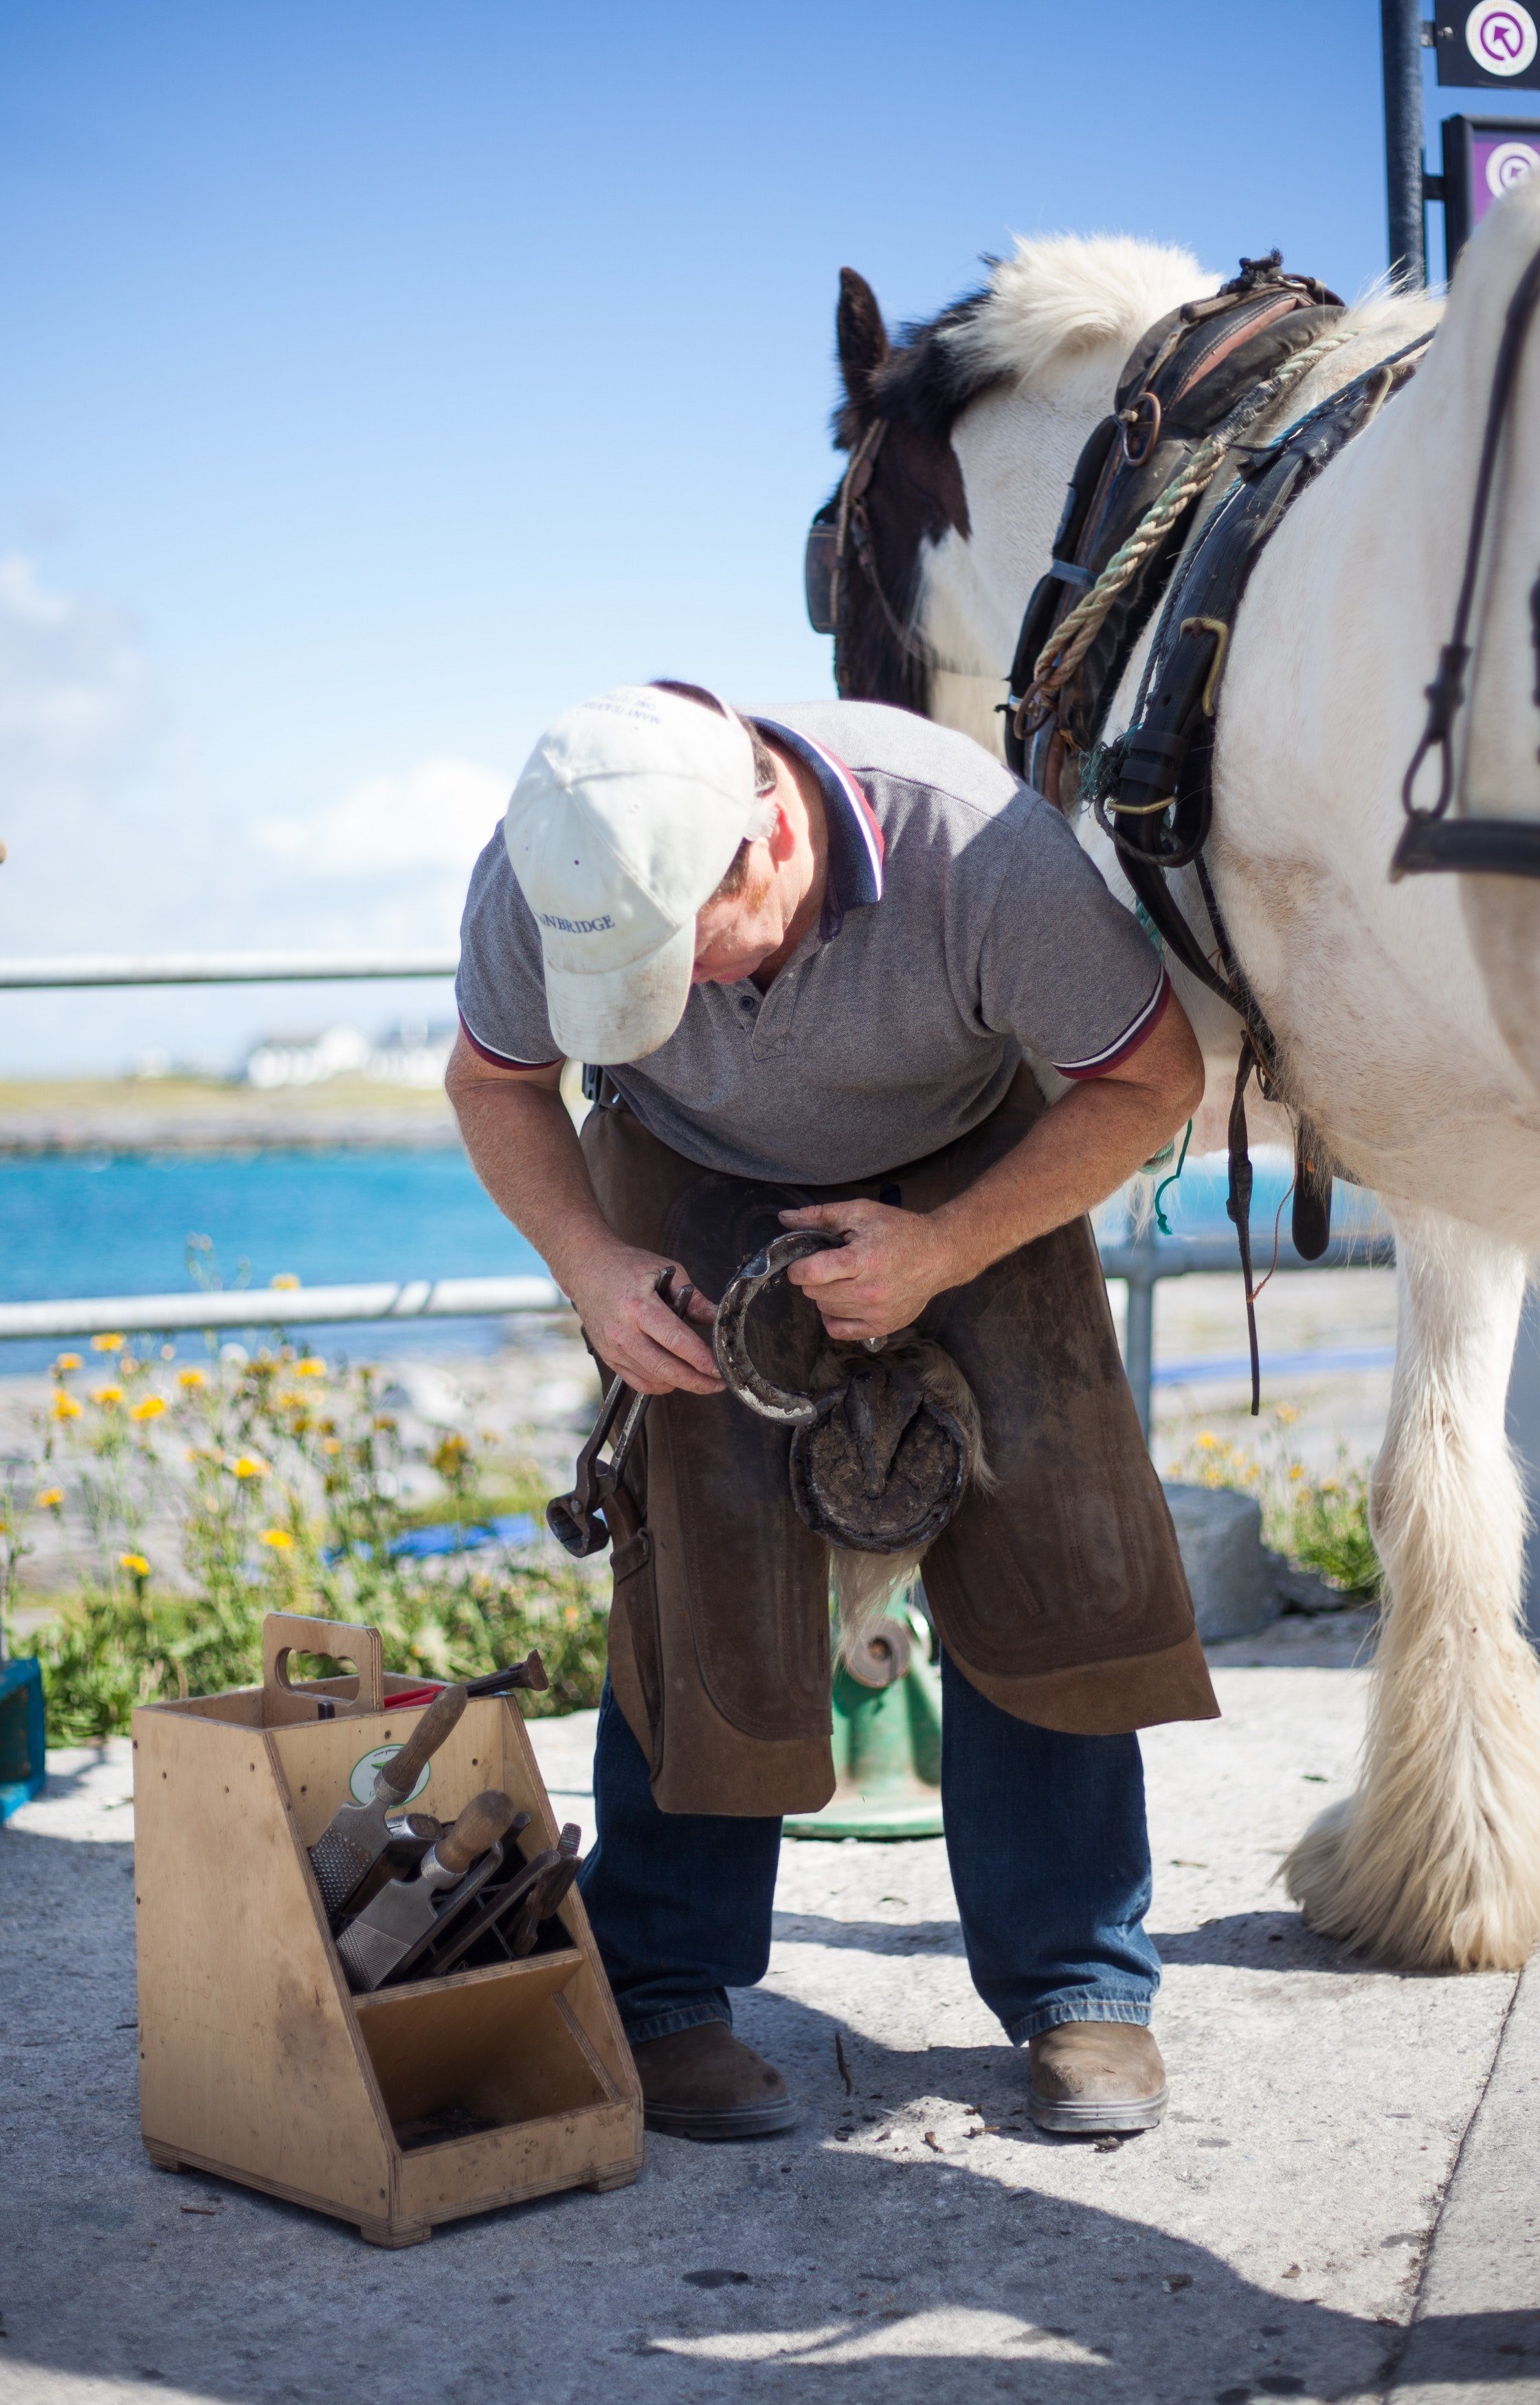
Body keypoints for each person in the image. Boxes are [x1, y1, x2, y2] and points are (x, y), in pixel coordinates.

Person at [447, 679, 1216, 2142]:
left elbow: (1148, 1076)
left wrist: (947, 1249)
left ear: (768, 844)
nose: (675, 1009)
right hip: (684, 1170)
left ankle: (1080, 1984)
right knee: (698, 1567)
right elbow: (497, 1082)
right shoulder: (544, 862)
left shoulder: (975, 847)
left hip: (972, 1159)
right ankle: (663, 1987)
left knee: (1052, 1540)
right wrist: (593, 1265)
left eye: (681, 965)